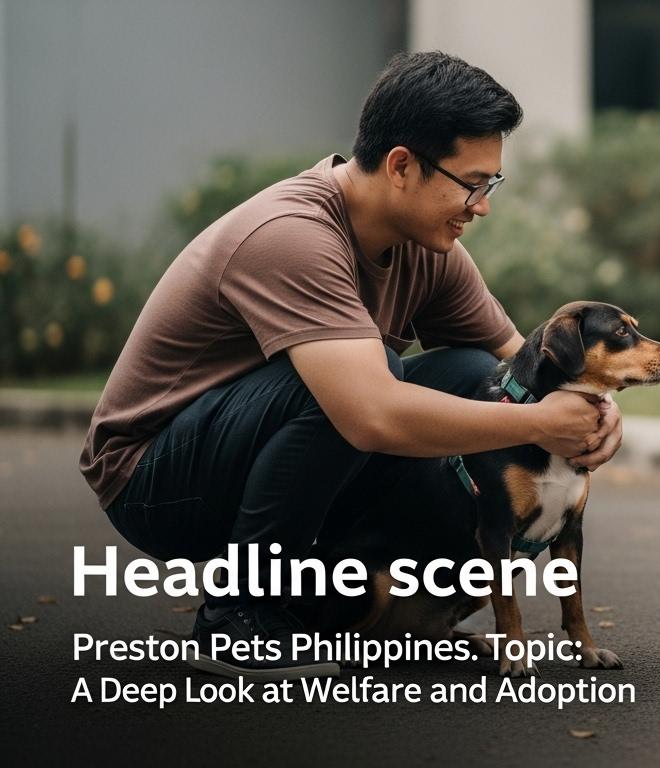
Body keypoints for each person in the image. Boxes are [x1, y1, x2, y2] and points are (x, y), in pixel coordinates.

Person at [79, 52, 621, 678]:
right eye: (474, 183)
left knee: (472, 374)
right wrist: (535, 426)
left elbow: (523, 373)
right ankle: (237, 619)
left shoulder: (430, 248)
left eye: (491, 185)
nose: (482, 206)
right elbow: (367, 415)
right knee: (359, 383)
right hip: (154, 480)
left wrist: (594, 416)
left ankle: (403, 613)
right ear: (401, 166)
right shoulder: (294, 235)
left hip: (271, 465)